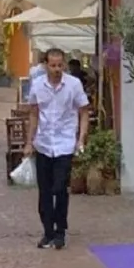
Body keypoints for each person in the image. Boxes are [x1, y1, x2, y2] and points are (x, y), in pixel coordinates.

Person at [23, 47, 89, 249]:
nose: (57, 69)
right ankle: (47, 232)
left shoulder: (73, 85)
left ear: (65, 64)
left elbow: (84, 112)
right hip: (43, 143)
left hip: (64, 144)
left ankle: (60, 231)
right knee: (44, 191)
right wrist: (29, 142)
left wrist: (81, 139)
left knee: (60, 189)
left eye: (60, 65)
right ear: (46, 65)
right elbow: (33, 113)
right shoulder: (37, 85)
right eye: (53, 65)